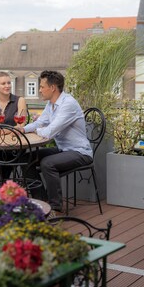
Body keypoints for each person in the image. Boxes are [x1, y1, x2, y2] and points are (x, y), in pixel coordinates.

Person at [21, 70, 93, 214]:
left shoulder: (68, 104)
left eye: (42, 87)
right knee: (26, 158)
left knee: (47, 163)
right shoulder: (51, 104)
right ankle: (41, 201)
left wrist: (36, 130)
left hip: (80, 152)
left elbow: (49, 132)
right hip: (63, 149)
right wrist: (21, 129)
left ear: (53, 88)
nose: (40, 90)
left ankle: (55, 207)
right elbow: (40, 122)